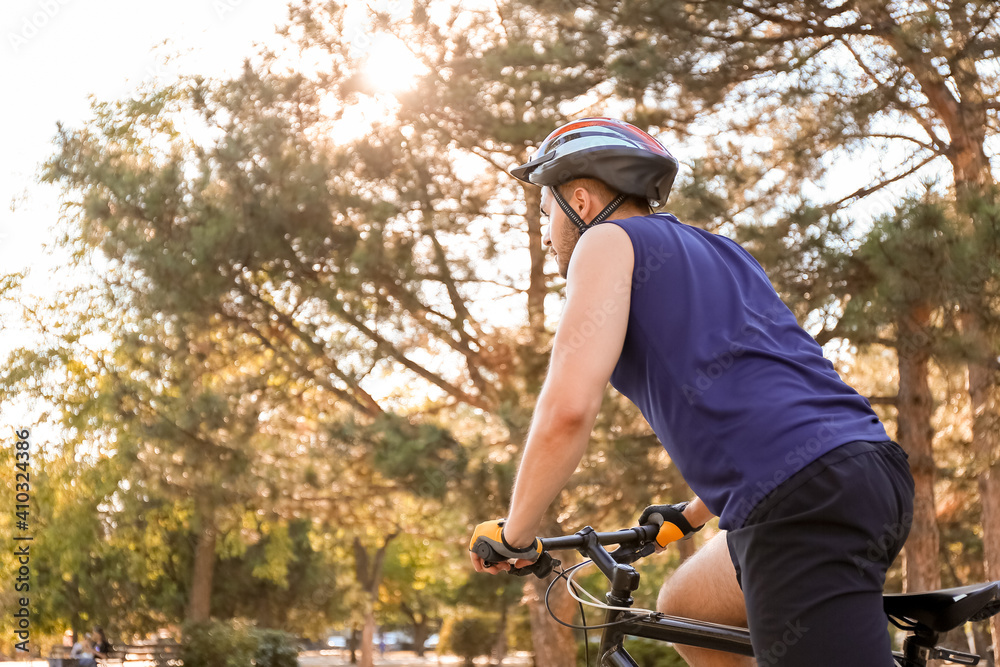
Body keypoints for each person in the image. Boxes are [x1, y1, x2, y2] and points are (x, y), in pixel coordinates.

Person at [469, 118, 915, 667]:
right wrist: (693, 512)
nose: (544, 233)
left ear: (580, 201)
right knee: (687, 608)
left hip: (802, 499)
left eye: (547, 212)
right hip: (863, 471)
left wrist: (514, 535)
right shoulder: (722, 250)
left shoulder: (606, 241)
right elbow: (772, 387)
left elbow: (567, 410)